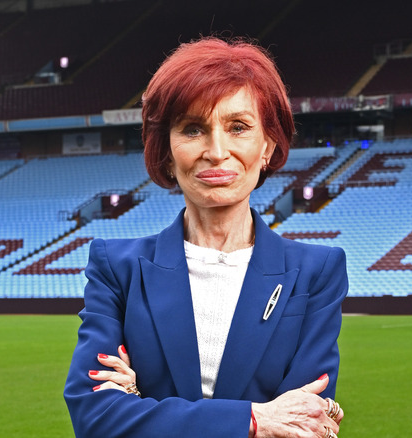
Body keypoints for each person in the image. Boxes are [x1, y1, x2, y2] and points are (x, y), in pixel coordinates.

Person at [64, 36, 348, 438]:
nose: (216, 151)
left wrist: (140, 402)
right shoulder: (117, 268)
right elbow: (96, 418)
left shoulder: (316, 272)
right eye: (193, 129)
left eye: (238, 127)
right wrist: (255, 420)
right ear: (166, 148)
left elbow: (303, 424)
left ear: (267, 145)